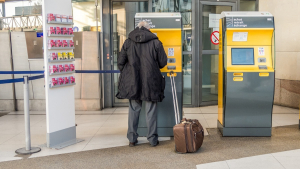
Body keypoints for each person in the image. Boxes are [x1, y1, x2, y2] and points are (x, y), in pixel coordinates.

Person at [116, 21, 167, 147]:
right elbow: (163, 62)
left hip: (133, 82)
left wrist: (129, 73)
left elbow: (120, 62)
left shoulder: (128, 42)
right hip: (151, 81)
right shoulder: (156, 42)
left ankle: (132, 139)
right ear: (148, 30)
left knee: (134, 110)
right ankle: (152, 139)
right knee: (151, 110)